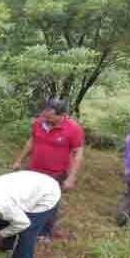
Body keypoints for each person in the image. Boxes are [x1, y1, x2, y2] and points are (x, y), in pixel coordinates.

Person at [12, 98, 84, 241]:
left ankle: (44, 233)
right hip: (34, 169)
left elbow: (78, 154)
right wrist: (19, 160)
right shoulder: (39, 122)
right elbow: (32, 141)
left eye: (50, 117)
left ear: (62, 115)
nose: (46, 120)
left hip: (56, 173)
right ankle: (24, 225)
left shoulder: (73, 129)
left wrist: (71, 178)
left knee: (50, 203)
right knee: (28, 198)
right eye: (45, 116)